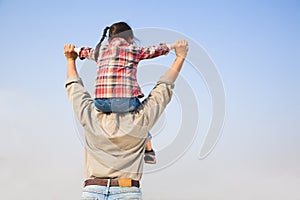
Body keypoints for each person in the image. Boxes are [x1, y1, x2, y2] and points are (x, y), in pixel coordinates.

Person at [64, 40, 188, 199]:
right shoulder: (140, 119)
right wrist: (180, 57)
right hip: (127, 190)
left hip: (93, 190)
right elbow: (163, 89)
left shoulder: (90, 115)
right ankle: (149, 150)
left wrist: (70, 60)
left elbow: (75, 89)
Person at [75, 22, 176, 164]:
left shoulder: (100, 50)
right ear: (130, 39)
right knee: (142, 118)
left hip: (100, 102)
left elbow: (84, 51)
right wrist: (171, 46)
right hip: (125, 102)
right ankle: (148, 151)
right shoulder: (132, 49)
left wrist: (73, 49)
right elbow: (153, 51)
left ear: (109, 39)